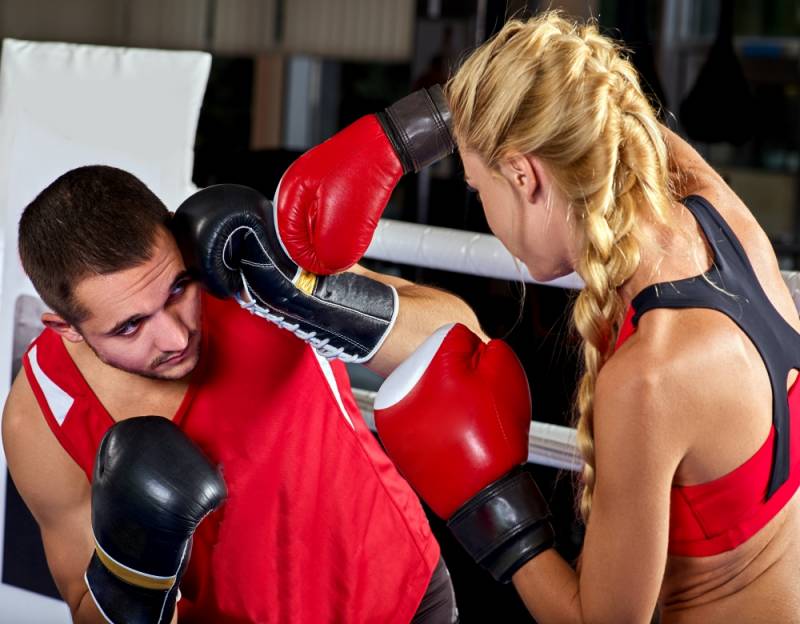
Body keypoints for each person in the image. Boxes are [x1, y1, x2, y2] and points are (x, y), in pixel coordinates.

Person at [286, 11, 800, 624]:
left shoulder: (650, 377)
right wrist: (411, 132)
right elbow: (604, 105)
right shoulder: (721, 217)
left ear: (525, 176)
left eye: (481, 191)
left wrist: (492, 501)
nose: (487, 216)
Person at [3, 96, 481, 624]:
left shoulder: (241, 262)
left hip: (402, 596)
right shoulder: (40, 419)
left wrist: (308, 296)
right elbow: (83, 605)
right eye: (130, 326)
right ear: (66, 329)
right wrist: (132, 573)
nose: (174, 335)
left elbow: (460, 338)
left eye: (177, 288)